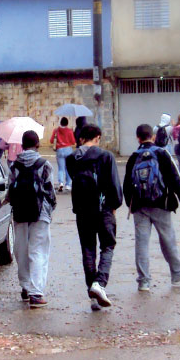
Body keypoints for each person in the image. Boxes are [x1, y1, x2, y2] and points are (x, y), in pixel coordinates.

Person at [123, 123, 180, 292]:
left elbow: (126, 185)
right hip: (162, 203)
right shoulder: (162, 154)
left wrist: (130, 205)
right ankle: (177, 272)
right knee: (167, 238)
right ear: (152, 137)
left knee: (142, 243)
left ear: (138, 138)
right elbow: (175, 178)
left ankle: (144, 281)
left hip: (140, 206)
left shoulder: (133, 157)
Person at [66, 124, 123, 311]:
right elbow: (114, 184)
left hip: (82, 210)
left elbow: (73, 178)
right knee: (107, 246)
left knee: (88, 250)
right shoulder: (106, 156)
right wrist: (115, 205)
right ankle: (99, 284)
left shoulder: (71, 159)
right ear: (98, 137)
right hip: (104, 208)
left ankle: (92, 293)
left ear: (81, 139)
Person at [8, 130, 57, 308]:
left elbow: (10, 190)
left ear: (22, 145)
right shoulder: (44, 164)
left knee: (21, 250)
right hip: (40, 213)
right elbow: (50, 191)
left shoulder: (14, 165)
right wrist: (50, 210)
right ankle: (36, 293)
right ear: (37, 145)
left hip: (20, 212)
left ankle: (25, 287)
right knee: (38, 251)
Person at [50, 116, 75, 192]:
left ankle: (61, 182)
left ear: (60, 123)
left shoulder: (56, 130)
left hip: (59, 150)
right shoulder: (69, 131)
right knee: (68, 168)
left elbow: (51, 141)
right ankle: (68, 185)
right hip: (68, 150)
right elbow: (73, 142)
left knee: (61, 168)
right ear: (67, 123)